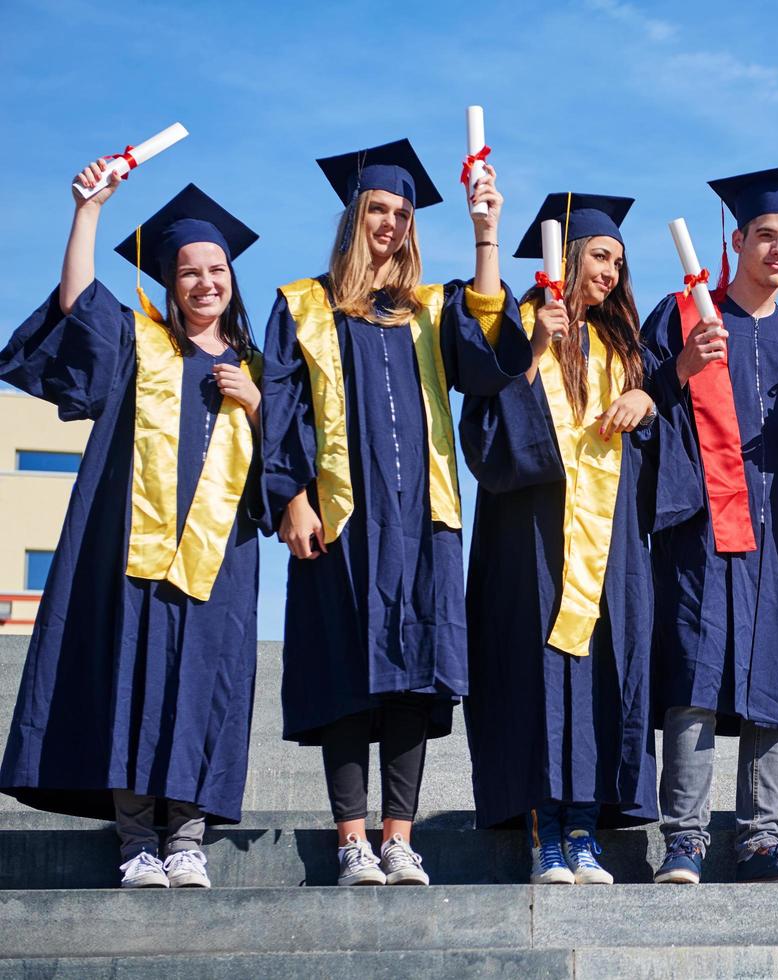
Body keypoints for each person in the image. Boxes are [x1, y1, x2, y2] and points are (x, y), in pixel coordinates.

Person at [259, 139, 515, 886]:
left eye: (402, 214)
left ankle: (398, 836)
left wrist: (484, 231)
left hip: (423, 520)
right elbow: (280, 407)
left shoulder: (431, 310)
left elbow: (490, 356)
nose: (391, 223)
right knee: (347, 673)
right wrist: (290, 496)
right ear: (353, 216)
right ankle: (350, 839)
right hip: (339, 517)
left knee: (414, 677)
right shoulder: (303, 306)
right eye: (378, 209)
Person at [0, 172, 262, 890]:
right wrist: (87, 212)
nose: (205, 283)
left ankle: (186, 838)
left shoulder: (258, 368)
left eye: (216, 271)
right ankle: (137, 840)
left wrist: (261, 405)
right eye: (189, 272)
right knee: (131, 679)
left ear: (231, 281)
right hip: (129, 554)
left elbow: (296, 463)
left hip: (219, 565)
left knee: (203, 685)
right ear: (171, 285)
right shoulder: (136, 344)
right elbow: (79, 305)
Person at [460, 192, 692, 885]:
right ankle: (546, 838)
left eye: (617, 262)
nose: (610, 273)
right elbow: (488, 433)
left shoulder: (624, 347)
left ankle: (584, 832)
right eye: (598, 256)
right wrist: (531, 352)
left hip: (610, 544)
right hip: (529, 537)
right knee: (534, 680)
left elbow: (660, 440)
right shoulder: (517, 325)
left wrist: (646, 401)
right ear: (564, 260)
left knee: (601, 678)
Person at [640, 165, 778, 884]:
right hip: (699, 531)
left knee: (775, 683)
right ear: (737, 239)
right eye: (766, 236)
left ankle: (760, 839)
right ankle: (683, 840)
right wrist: (680, 370)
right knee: (694, 677)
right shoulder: (682, 313)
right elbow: (635, 407)